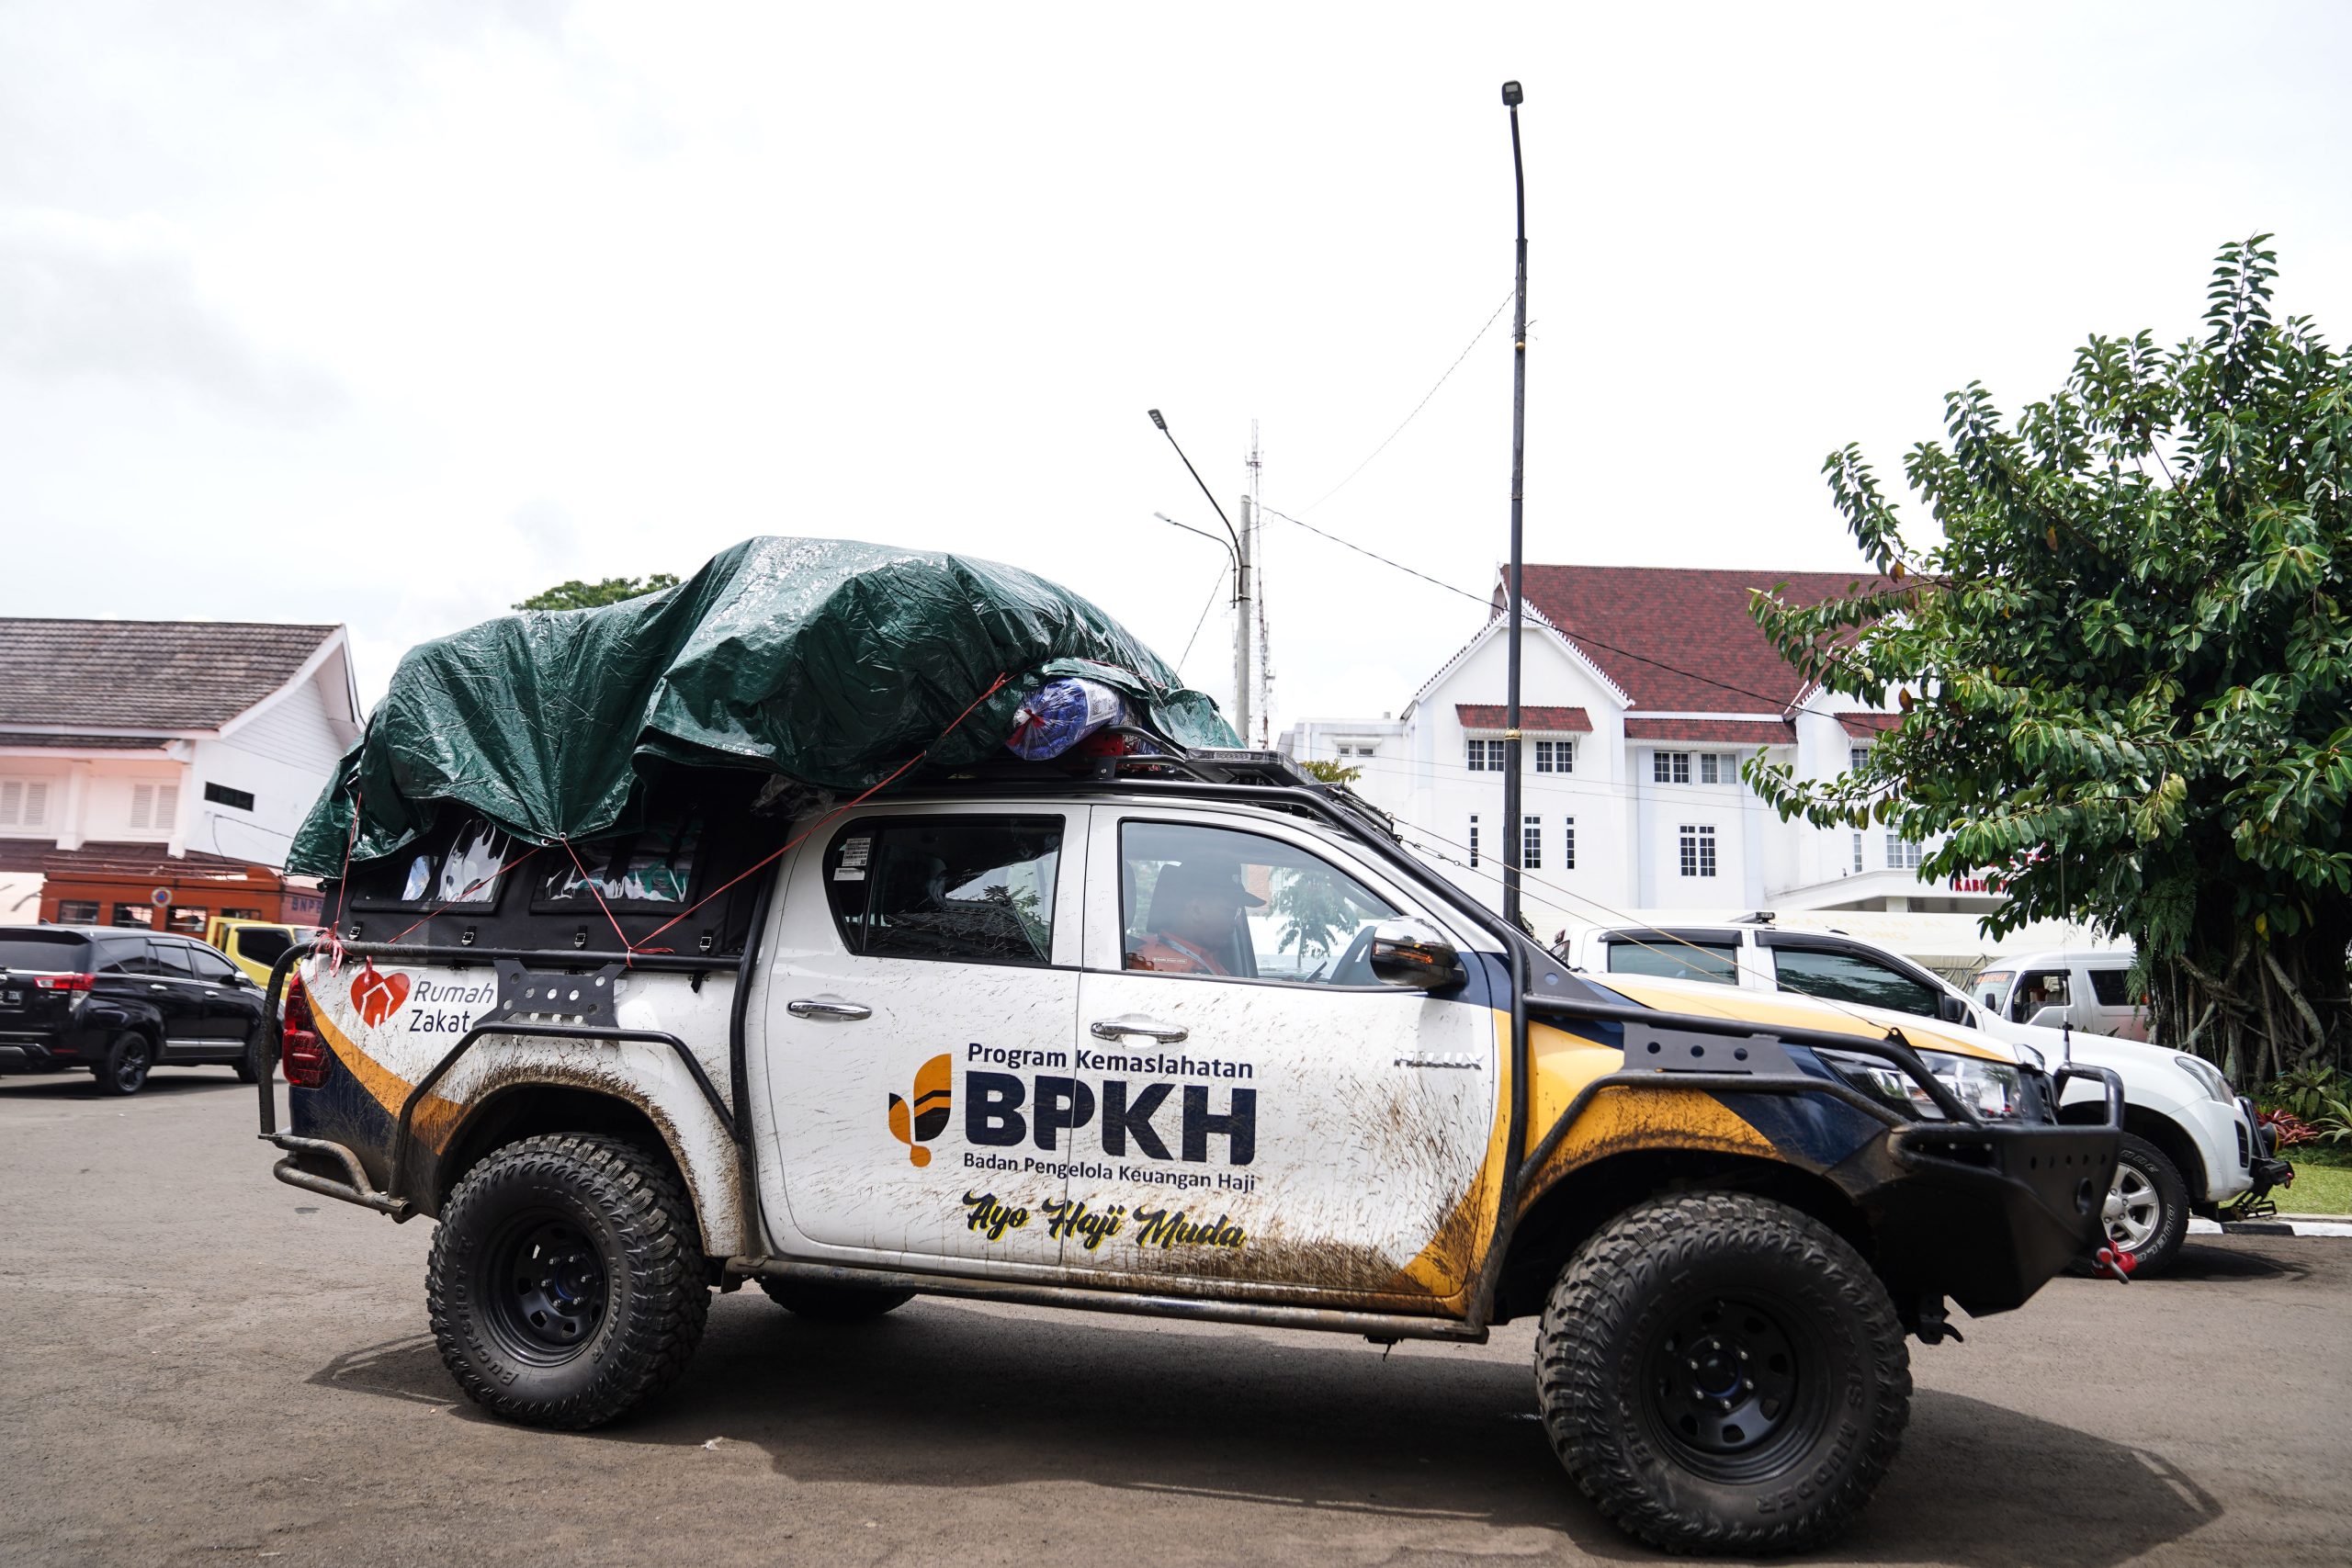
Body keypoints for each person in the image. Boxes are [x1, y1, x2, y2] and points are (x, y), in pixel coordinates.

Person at [1125, 860, 1263, 976]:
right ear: (1196, 910)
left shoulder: (1206, 960)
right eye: (1230, 912)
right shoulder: (1150, 967)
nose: (1236, 922)